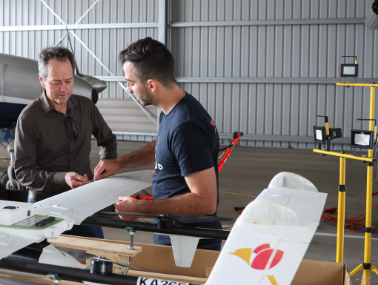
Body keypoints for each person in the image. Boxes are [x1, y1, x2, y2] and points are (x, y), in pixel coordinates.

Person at [93, 38, 223, 250]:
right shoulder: (171, 110)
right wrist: (120, 163)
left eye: (131, 82)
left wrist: (139, 207)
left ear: (151, 84)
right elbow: (162, 147)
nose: (128, 89)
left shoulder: (186, 125)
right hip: (173, 235)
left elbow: (205, 202)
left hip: (189, 246)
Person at [14, 46, 117, 239]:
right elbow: (23, 173)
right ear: (42, 80)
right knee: (45, 263)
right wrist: (63, 178)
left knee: (96, 257)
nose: (64, 89)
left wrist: (107, 168)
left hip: (84, 202)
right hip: (43, 206)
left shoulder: (86, 107)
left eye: (69, 81)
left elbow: (108, 141)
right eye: (56, 82)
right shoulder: (29, 118)